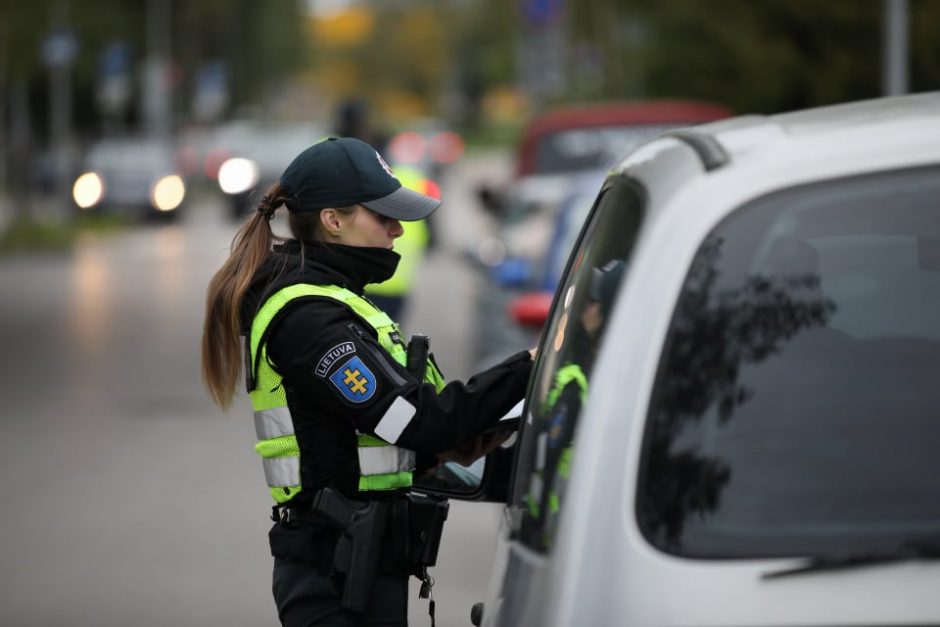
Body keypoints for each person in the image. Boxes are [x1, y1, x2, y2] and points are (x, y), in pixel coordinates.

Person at [201, 136, 534, 627]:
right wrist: (529, 366)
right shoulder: (309, 320)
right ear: (333, 220)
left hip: (361, 560)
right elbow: (415, 419)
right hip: (333, 574)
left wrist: (453, 450)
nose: (399, 229)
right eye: (383, 216)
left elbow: (379, 437)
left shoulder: (335, 301)